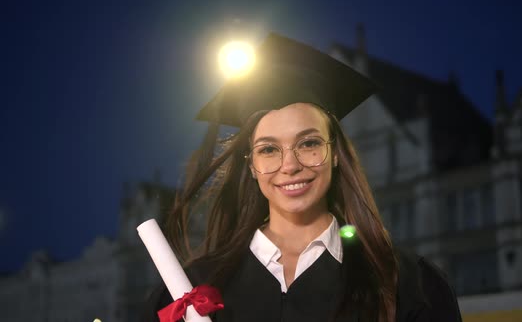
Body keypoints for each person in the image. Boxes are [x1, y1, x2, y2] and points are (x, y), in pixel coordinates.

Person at [142, 33, 462, 322]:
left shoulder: (408, 284)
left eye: (308, 143)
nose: (290, 165)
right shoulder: (191, 290)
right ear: (251, 164)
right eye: (268, 150)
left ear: (335, 153)